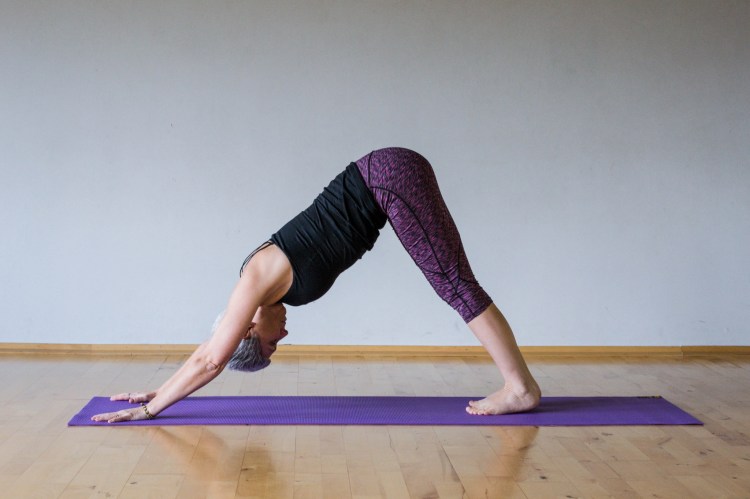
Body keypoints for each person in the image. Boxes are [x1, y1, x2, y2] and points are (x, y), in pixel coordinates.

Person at [92, 147, 541, 423]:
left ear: (248, 332)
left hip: (387, 179)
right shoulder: (255, 295)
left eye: (271, 345)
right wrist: (158, 389)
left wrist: (150, 410)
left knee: (455, 285)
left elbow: (212, 359)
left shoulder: (253, 283)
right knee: (454, 284)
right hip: (388, 178)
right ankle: (518, 385)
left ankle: (520, 388)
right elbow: (210, 348)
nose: (282, 337)